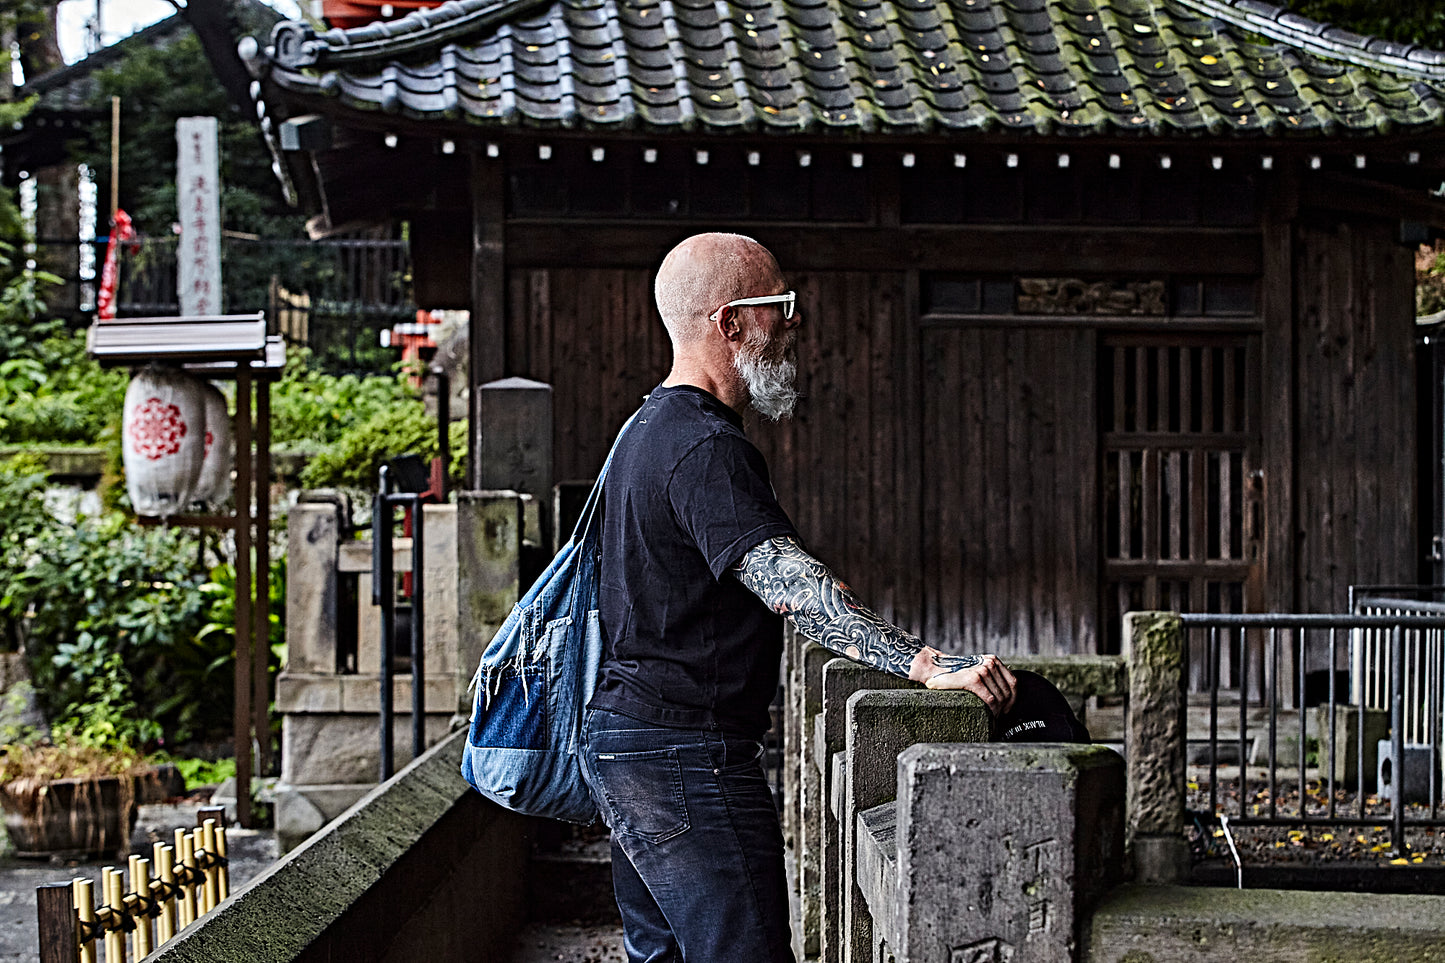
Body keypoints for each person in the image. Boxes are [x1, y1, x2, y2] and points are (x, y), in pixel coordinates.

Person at [580, 232, 1018, 963]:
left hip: (631, 745)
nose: (794, 320)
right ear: (729, 322)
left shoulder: (643, 430)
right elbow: (794, 588)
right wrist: (923, 664)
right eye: (779, 304)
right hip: (685, 756)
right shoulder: (703, 448)